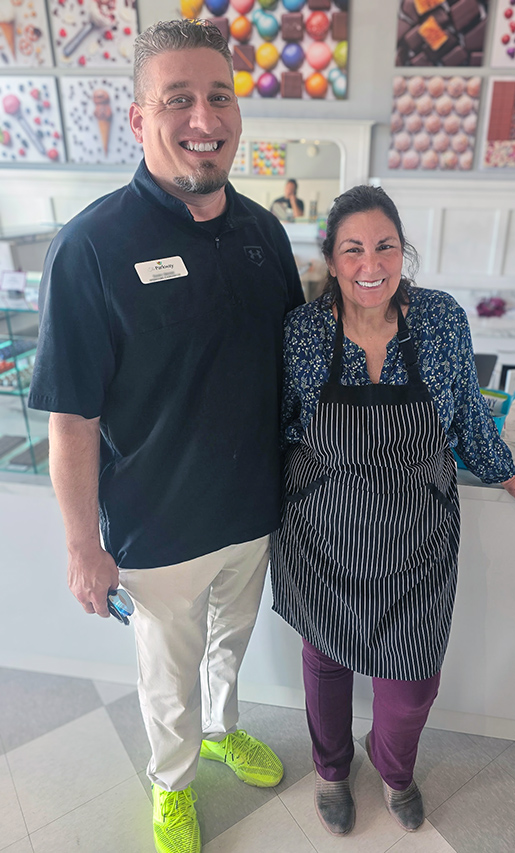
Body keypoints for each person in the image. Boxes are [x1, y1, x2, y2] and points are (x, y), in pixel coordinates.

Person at [28, 20, 304, 853]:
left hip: (253, 510)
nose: (202, 117)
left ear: (238, 112)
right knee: (167, 676)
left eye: (218, 96)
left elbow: (296, 359)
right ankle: (172, 783)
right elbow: (71, 415)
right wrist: (83, 543)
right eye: (177, 98)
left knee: (233, 642)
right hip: (158, 527)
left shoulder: (264, 233)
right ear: (141, 113)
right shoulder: (90, 247)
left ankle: (224, 729)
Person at [270, 185, 515, 837]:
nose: (370, 263)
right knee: (325, 667)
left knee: (410, 688)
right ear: (331, 257)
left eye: (384, 246)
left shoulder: (439, 319)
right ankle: (331, 770)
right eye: (353, 249)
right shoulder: (303, 331)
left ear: (402, 251)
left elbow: (464, 411)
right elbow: (281, 427)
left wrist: (507, 474)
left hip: (417, 537)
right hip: (322, 534)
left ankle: (395, 768)